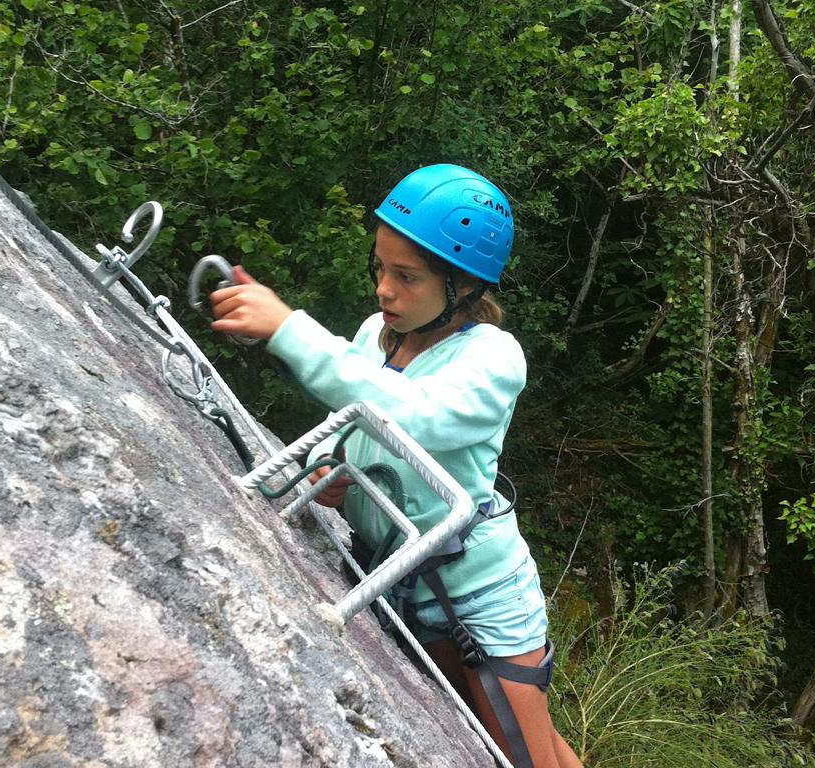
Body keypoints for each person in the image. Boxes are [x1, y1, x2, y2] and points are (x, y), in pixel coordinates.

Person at [209, 164, 582, 768]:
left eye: (406, 276)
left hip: (481, 597)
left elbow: (416, 416)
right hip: (411, 585)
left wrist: (289, 329)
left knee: (525, 757)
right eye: (380, 268)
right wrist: (335, 472)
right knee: (537, 747)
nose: (384, 290)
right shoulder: (375, 336)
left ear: (460, 285)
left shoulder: (492, 358)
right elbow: (363, 429)